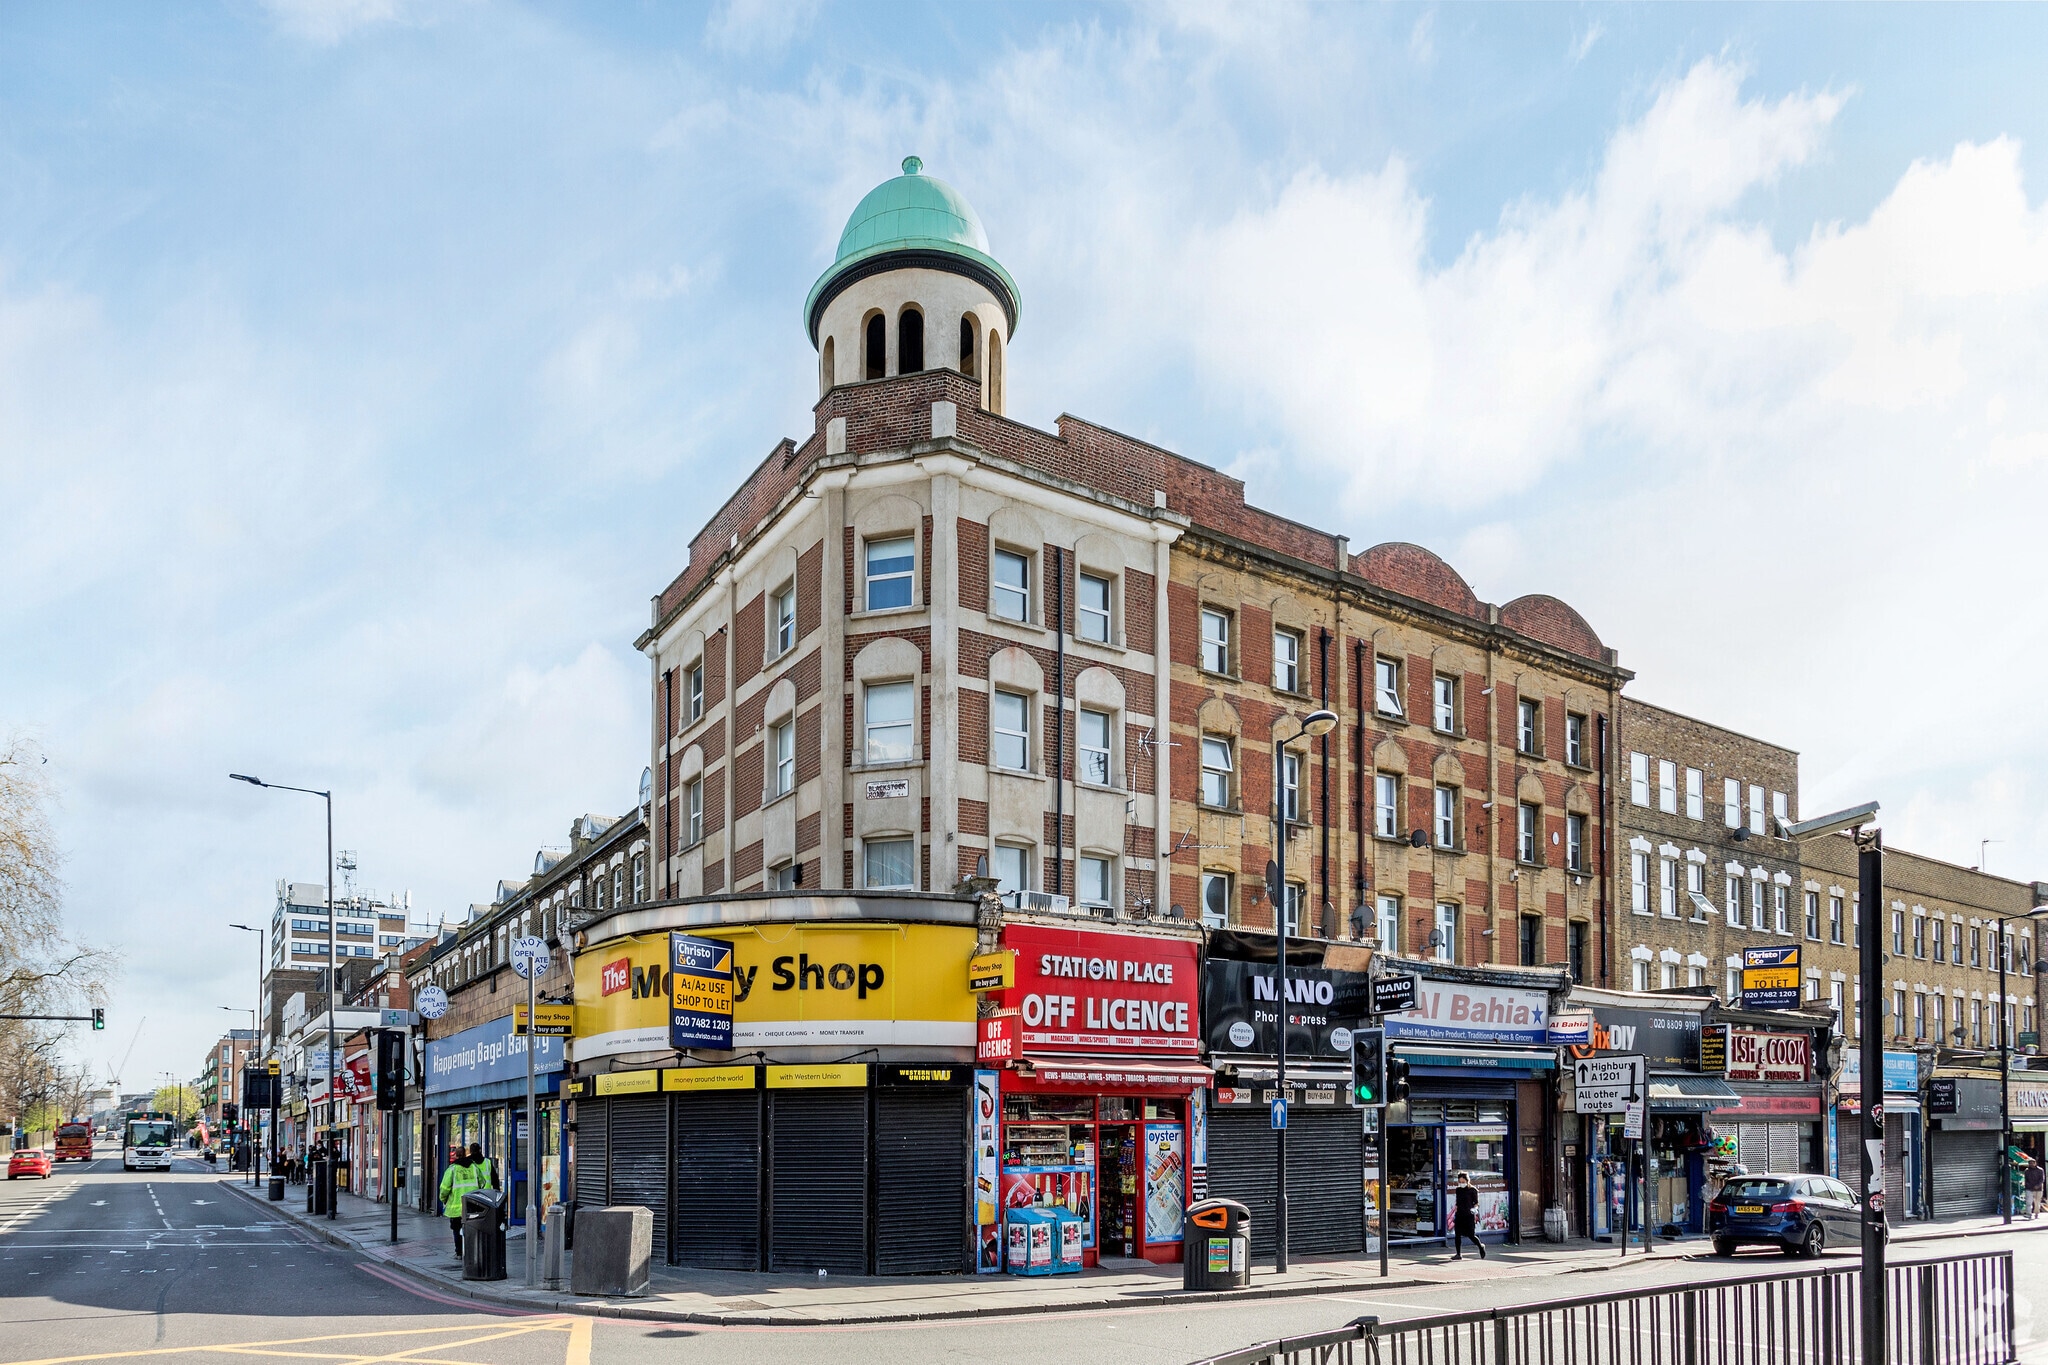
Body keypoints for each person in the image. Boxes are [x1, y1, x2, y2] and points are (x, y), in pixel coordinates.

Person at [439, 1146, 480, 1255]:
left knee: (456, 1230)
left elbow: (444, 1188)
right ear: (466, 1154)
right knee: (471, 1230)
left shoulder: (452, 1169)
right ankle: (471, 1252)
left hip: (456, 1208)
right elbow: (482, 1182)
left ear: (456, 1155)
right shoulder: (474, 1167)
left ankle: (459, 1253)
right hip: (472, 1205)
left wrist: (443, 1199)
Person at [1451, 1171, 1485, 1260]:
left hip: (1469, 1215)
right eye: (1460, 1182)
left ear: (1467, 1181)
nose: (1461, 1184)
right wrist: (1455, 1213)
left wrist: (1475, 1209)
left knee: (1471, 1235)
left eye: (1463, 1182)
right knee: (1457, 1234)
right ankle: (1458, 1254)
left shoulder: (1472, 1190)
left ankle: (1480, 1246)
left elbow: (1476, 1203)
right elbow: (1457, 1203)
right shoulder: (1458, 1190)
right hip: (1459, 1215)